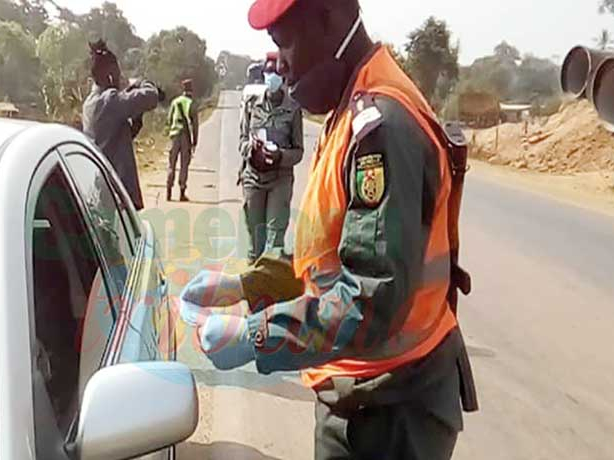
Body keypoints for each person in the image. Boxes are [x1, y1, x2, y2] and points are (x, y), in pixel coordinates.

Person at [180, 0, 478, 459]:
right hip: (364, 392)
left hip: (393, 409)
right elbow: (328, 257)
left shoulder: (380, 126)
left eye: (287, 42)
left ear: (335, 18)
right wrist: (248, 284)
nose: (281, 64)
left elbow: (367, 299)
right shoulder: (349, 108)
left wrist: (256, 335)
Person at [82, 39, 162, 211]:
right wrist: (142, 82)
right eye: (117, 72)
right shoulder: (109, 100)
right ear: (110, 74)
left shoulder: (90, 102)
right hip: (116, 194)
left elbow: (111, 138)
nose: (120, 76)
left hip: (101, 187)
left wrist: (133, 127)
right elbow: (151, 96)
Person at [238, 56, 304, 263]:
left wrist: (280, 156)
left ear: (283, 77)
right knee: (255, 242)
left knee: (275, 242)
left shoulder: (293, 109)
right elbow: (242, 141)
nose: (270, 77)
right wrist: (252, 149)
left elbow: (299, 151)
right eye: (267, 72)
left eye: (275, 73)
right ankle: (254, 289)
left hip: (280, 179)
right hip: (253, 177)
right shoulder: (251, 105)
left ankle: (273, 291)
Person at [166, 79, 200, 202]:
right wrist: (195, 141)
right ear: (192, 90)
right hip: (185, 137)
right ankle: (182, 192)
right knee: (184, 165)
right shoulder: (191, 104)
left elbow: (169, 119)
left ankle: (168, 191)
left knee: (171, 164)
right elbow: (195, 124)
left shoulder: (175, 102)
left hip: (174, 135)